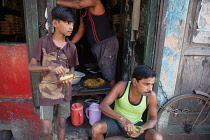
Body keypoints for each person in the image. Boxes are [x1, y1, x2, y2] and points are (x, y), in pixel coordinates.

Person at [28, 6, 79, 140]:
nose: (71, 27)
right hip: (47, 91)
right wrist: (49, 66)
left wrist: (70, 77)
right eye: (67, 23)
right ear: (55, 23)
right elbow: (31, 67)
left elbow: (72, 67)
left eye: (72, 24)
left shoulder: (71, 47)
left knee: (62, 123)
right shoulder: (43, 42)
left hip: (65, 91)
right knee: (46, 130)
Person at [57, 0, 119, 88]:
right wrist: (68, 44)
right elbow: (80, 32)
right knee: (104, 73)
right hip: (96, 46)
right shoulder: (84, 14)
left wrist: (56, 1)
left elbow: (78, 5)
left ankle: (113, 97)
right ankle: (106, 95)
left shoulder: (96, 2)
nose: (76, 0)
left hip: (106, 43)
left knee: (109, 74)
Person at [91, 65, 163, 140]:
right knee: (96, 128)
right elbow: (103, 105)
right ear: (134, 82)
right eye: (146, 84)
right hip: (117, 122)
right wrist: (123, 119)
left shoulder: (151, 96)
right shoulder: (122, 86)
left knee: (157, 137)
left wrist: (142, 128)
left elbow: (153, 119)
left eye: (152, 84)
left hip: (136, 125)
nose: (150, 89)